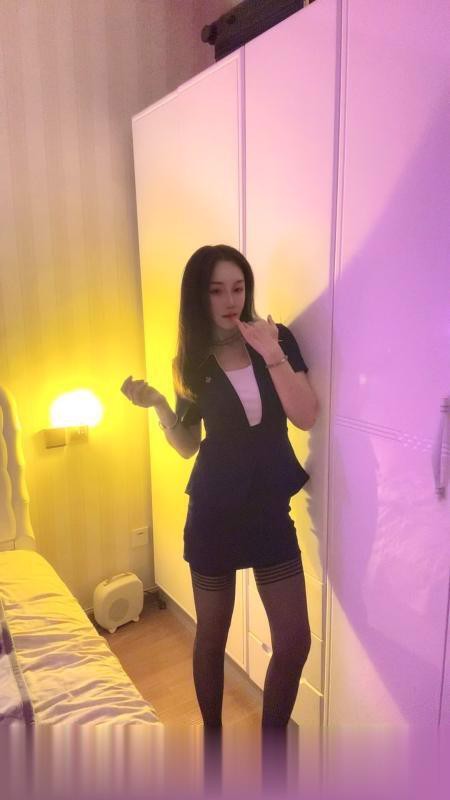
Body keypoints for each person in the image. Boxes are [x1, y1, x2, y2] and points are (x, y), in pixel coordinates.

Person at [121, 244, 319, 731]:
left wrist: (272, 354)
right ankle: (213, 742)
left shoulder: (276, 339)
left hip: (269, 512)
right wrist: (160, 406)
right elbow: (188, 446)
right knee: (212, 636)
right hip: (213, 514)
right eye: (216, 291)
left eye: (238, 287)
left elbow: (306, 415)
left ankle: (273, 748)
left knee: (294, 641)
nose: (231, 300)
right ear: (198, 297)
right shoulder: (191, 363)